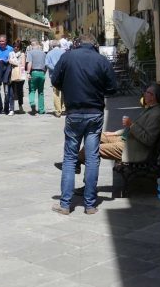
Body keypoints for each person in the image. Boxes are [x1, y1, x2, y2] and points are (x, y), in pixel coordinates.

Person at [50, 32, 117, 215]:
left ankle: (65, 204)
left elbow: (55, 80)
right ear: (94, 44)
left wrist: (69, 87)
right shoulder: (101, 60)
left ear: (77, 44)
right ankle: (90, 204)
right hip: (95, 113)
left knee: (70, 158)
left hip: (74, 112)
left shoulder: (67, 57)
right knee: (92, 157)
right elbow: (113, 87)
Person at [94, 84, 160, 162]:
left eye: (147, 92)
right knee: (94, 136)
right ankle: (81, 162)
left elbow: (148, 139)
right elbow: (136, 128)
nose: (144, 94)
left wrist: (131, 125)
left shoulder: (156, 115)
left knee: (91, 149)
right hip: (127, 139)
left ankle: (83, 164)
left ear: (153, 97)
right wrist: (115, 133)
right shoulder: (151, 109)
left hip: (132, 148)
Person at [45, 39, 68, 117]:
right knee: (64, 92)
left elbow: (47, 64)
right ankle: (64, 108)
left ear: (52, 46)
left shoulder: (49, 53)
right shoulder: (64, 52)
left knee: (56, 93)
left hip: (54, 75)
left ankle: (58, 111)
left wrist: (55, 69)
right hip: (64, 75)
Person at [26, 39, 48, 115]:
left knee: (32, 90)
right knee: (41, 92)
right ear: (38, 46)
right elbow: (46, 65)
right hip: (42, 73)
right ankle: (41, 110)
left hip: (34, 72)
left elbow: (30, 63)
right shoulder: (44, 54)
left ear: (31, 46)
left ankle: (32, 103)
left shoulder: (30, 53)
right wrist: (44, 72)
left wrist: (28, 73)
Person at [8, 41, 27, 113]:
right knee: (11, 92)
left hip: (20, 75)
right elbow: (9, 61)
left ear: (20, 47)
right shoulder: (10, 53)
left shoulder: (22, 54)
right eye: (14, 46)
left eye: (17, 46)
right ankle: (11, 109)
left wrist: (13, 62)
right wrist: (16, 62)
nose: (16, 48)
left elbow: (23, 65)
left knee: (19, 91)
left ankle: (20, 106)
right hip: (12, 74)